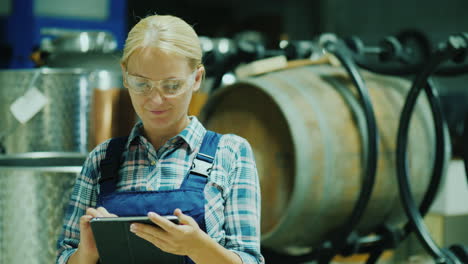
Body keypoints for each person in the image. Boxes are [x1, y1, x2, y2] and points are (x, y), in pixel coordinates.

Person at [56, 14, 264, 264]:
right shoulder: (102, 159)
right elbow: (65, 255)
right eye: (142, 84)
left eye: (171, 86)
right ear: (125, 76)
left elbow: (250, 259)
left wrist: (199, 248)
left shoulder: (230, 153)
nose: (155, 100)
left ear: (197, 78)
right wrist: (86, 253)